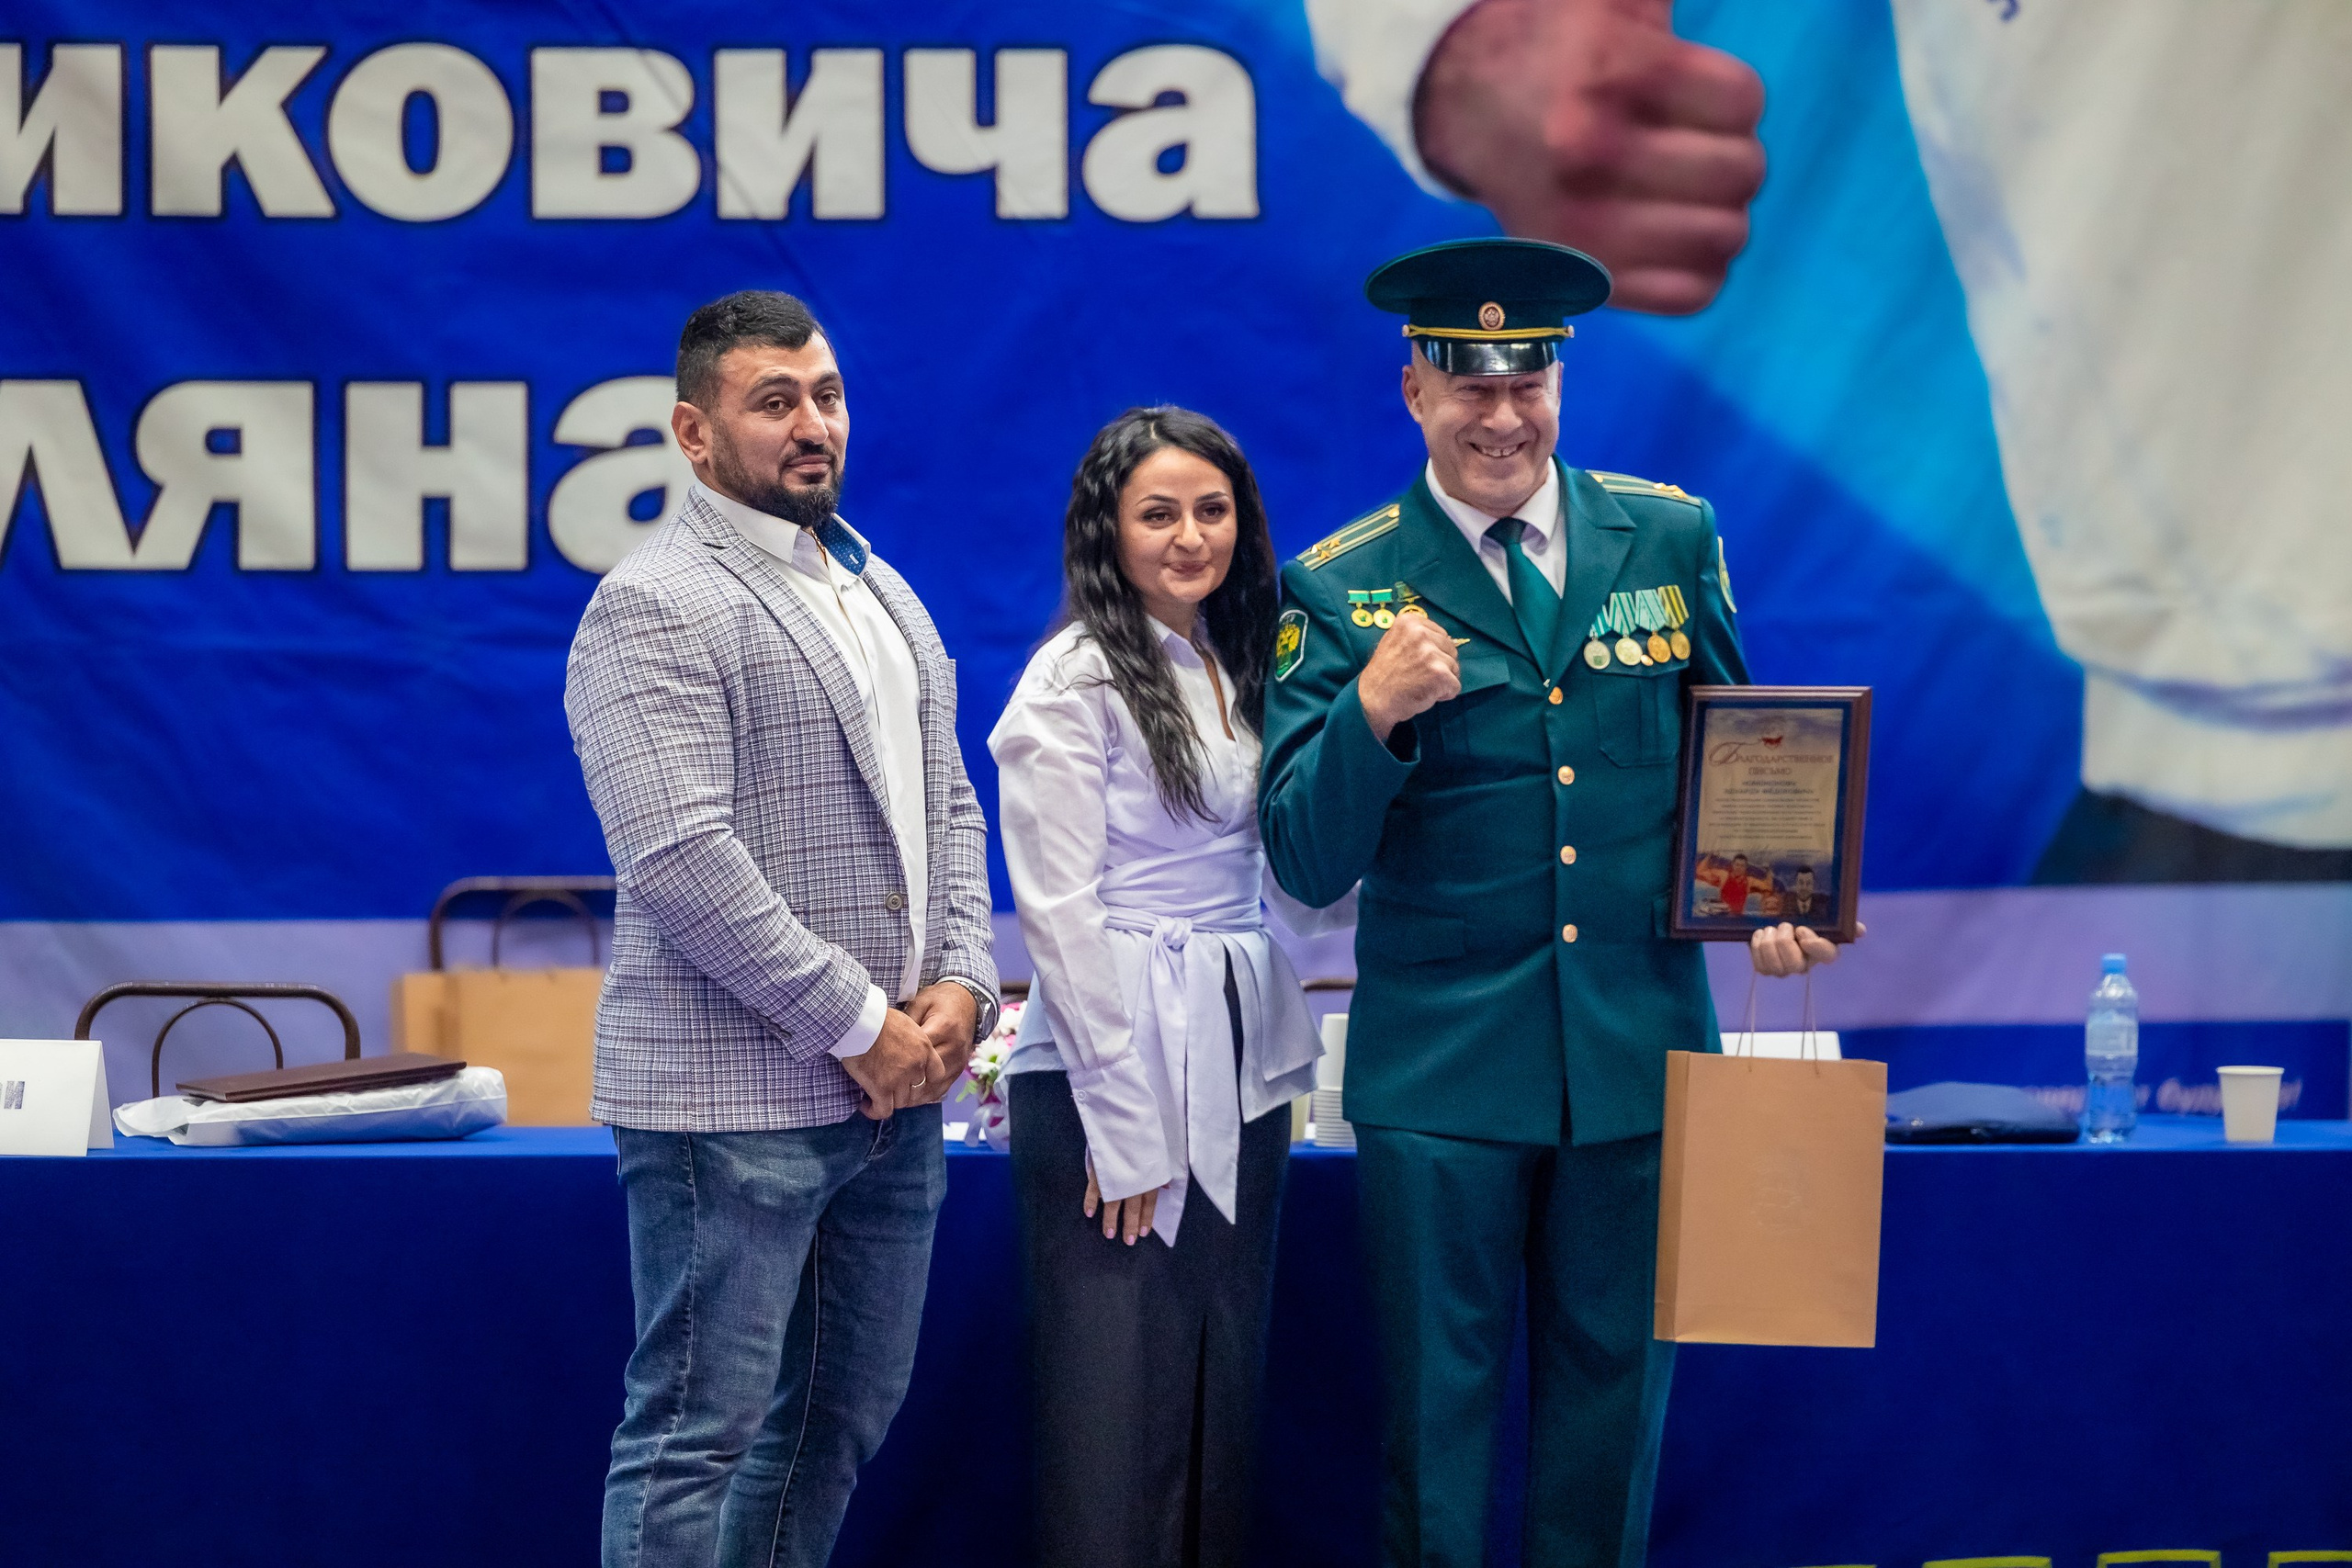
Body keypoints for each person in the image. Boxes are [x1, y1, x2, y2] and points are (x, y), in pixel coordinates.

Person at [1258, 237, 1840, 1567]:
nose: (1503, 416)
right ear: (1416, 392)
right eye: (1472, 387)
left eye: (1529, 383)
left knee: (1608, 1428)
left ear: (1560, 384)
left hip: (1635, 1056)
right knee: (1436, 1442)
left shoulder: (1671, 534)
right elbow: (1301, 854)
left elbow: (1734, 757)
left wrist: (1771, 897)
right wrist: (1370, 709)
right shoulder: (1340, 585)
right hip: (1445, 1074)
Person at [565, 289, 1000, 1568]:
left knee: (837, 1418)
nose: (814, 425)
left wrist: (964, 981)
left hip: (893, 1101)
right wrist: (862, 1022)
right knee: (696, 1432)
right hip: (729, 1101)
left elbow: (951, 802)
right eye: (775, 402)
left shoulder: (882, 589)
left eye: (827, 395)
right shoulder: (650, 603)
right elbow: (681, 859)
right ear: (695, 436)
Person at [989, 407, 1344, 1568]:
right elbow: (1058, 912)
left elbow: (1289, 879)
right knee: (1115, 1409)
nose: (1189, 537)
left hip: (1234, 1045)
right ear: (1107, 531)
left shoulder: (1234, 663)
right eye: (1157, 515)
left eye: (1211, 509)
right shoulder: (1073, 676)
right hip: (1114, 1064)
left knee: (1213, 1388)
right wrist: (1122, 1118)